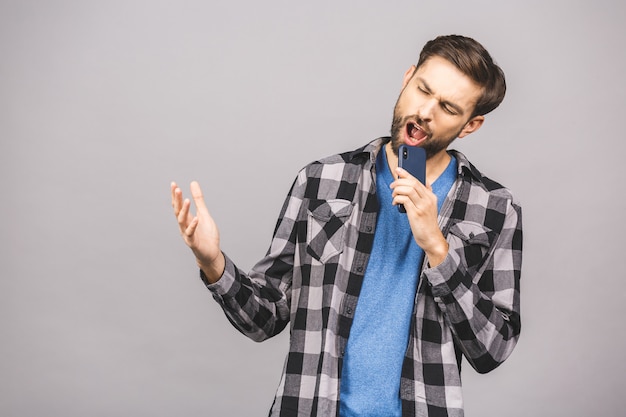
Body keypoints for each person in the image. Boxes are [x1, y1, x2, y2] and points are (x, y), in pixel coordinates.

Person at [171, 34, 522, 417]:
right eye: (423, 90)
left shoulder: (495, 209)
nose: (425, 111)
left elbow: (493, 350)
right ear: (407, 78)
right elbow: (265, 318)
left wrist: (439, 250)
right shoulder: (323, 180)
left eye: (447, 107)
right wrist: (212, 263)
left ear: (470, 125)